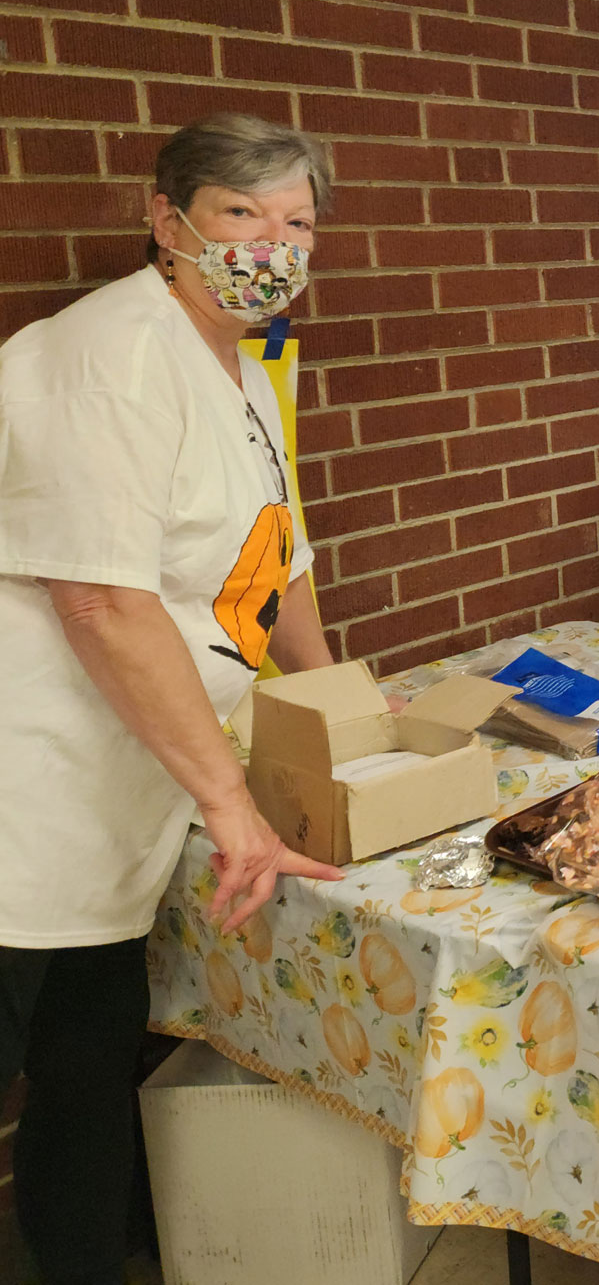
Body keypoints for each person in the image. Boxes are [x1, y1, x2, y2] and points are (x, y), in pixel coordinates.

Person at [0, 114, 344, 1285]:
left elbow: (274, 557)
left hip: (120, 806)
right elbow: (101, 603)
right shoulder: (108, 356)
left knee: (89, 1081)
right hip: (27, 805)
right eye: (244, 213)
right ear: (166, 218)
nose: (273, 242)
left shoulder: (240, 362)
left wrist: (343, 706)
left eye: (297, 221)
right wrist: (235, 808)